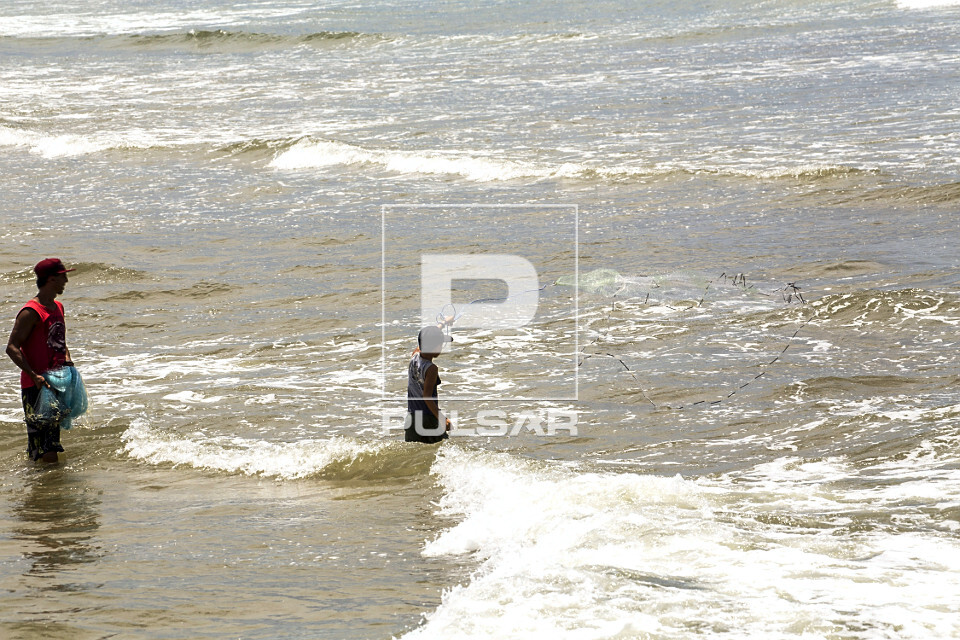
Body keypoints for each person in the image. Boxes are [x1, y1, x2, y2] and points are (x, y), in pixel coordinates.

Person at [6, 258, 76, 463]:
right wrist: (34, 375)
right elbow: (11, 347)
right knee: (45, 448)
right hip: (35, 386)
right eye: (63, 276)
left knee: (47, 443)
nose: (66, 280)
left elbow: (59, 341)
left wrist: (68, 361)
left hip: (55, 382)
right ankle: (46, 490)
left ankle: (38, 486)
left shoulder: (58, 307)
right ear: (51, 279)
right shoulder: (31, 312)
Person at [405, 324, 453, 444]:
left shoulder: (414, 356)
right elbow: (426, 396)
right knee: (444, 449)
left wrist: (442, 323)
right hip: (427, 418)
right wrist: (443, 419)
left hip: (412, 419)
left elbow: (423, 341)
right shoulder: (431, 369)